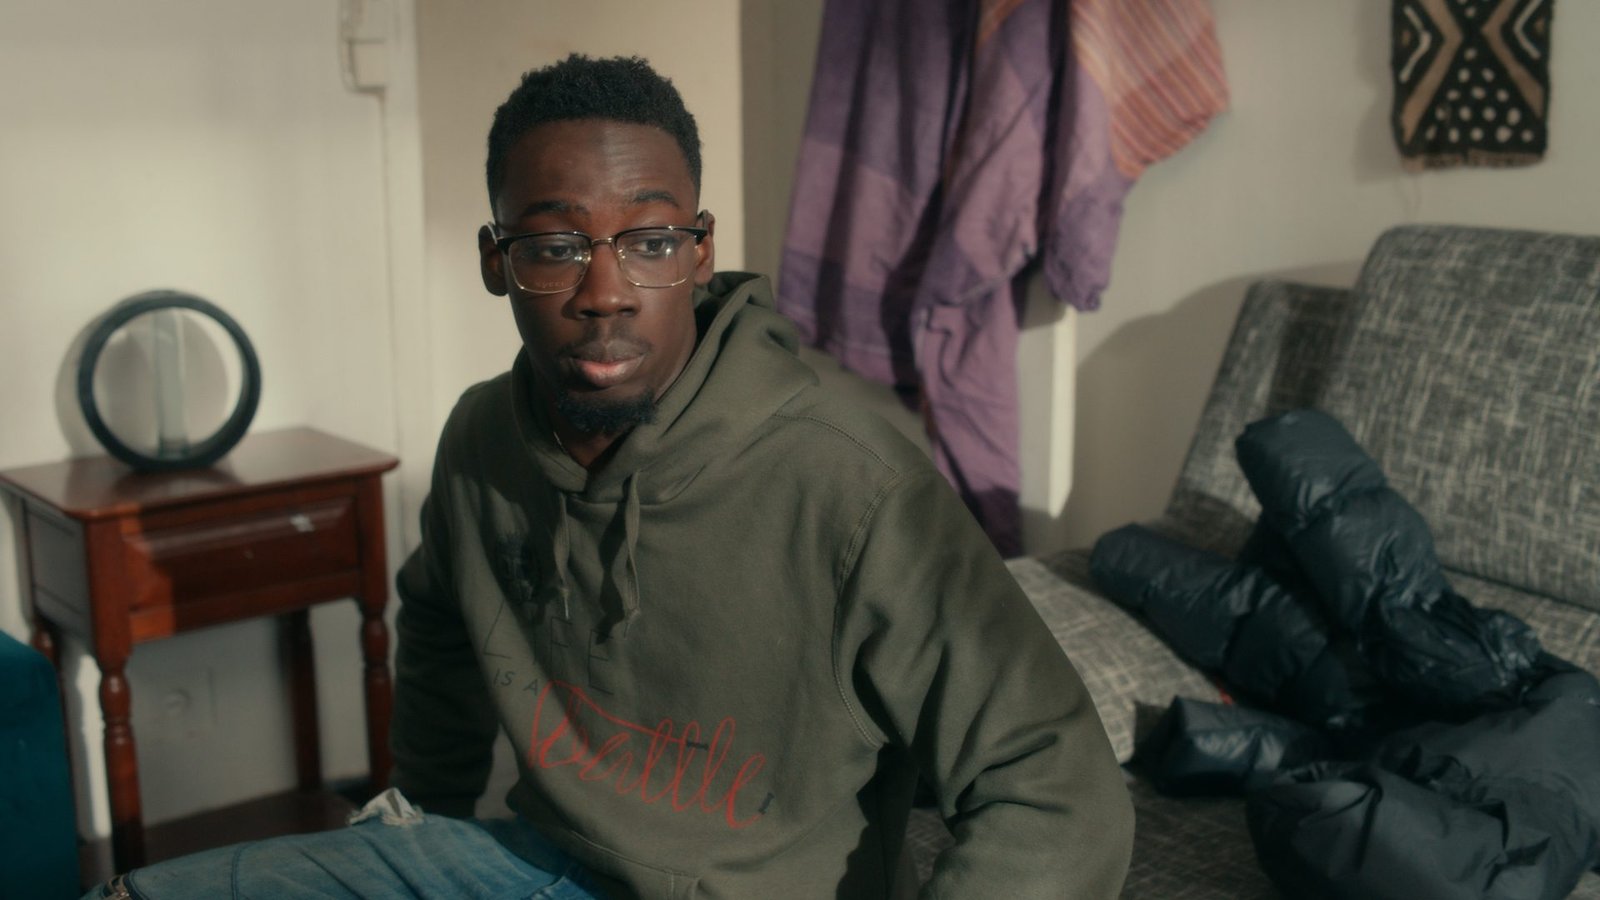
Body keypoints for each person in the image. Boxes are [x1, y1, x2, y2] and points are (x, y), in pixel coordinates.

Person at [84, 53, 1131, 899]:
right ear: (496, 261)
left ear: (700, 251)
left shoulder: (850, 482)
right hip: (535, 864)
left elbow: (1056, 786)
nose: (605, 292)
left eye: (651, 242)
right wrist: (421, 822)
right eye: (553, 246)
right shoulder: (482, 441)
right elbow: (440, 626)